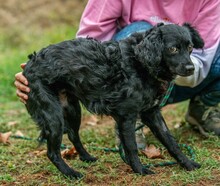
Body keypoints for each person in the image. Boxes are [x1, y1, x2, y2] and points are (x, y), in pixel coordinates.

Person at [15, 0, 220, 145]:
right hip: (121, 82)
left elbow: (200, 63)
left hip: (179, 80)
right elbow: (87, 46)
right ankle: (131, 114)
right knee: (140, 30)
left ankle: (203, 108)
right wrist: (43, 72)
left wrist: (165, 61)